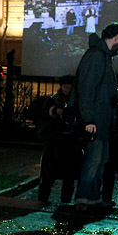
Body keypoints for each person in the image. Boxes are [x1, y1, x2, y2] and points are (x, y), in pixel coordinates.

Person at [70, 22, 118, 209]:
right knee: (94, 159)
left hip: (102, 118)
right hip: (97, 119)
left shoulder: (101, 56)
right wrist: (89, 119)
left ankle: (92, 196)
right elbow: (87, 89)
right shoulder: (97, 56)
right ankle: (84, 197)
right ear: (116, 38)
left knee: (100, 159)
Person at [36, 75, 81, 204]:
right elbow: (42, 114)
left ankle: (65, 202)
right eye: (65, 86)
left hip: (70, 142)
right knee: (49, 176)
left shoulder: (76, 101)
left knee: (69, 177)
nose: (67, 89)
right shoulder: (53, 100)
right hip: (55, 141)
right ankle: (42, 199)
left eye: (69, 87)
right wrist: (55, 111)